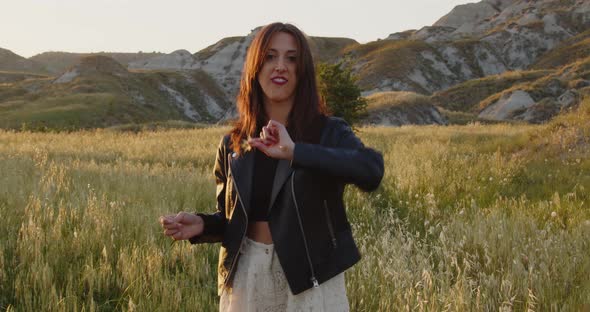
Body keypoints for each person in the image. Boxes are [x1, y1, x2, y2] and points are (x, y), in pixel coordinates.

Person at [159, 22, 384, 311]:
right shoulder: (233, 143)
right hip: (246, 276)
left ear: (303, 71)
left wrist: (296, 151)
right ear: (255, 67)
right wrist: (204, 225)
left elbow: (371, 170)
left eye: (292, 58)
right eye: (270, 56)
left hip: (310, 280)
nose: (281, 66)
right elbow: (231, 220)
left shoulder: (329, 132)